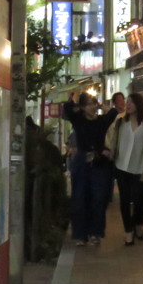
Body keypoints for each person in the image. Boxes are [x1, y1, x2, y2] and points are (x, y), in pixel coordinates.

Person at [105, 92, 143, 245]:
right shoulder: (121, 122)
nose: (127, 105)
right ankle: (128, 231)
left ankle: (138, 224)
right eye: (127, 102)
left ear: (139, 105)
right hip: (121, 166)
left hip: (140, 168)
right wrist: (110, 150)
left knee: (139, 200)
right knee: (124, 200)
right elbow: (111, 138)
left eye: (131, 102)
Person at [62, 92, 117, 246]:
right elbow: (67, 107)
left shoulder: (101, 121)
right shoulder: (78, 120)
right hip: (81, 160)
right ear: (82, 107)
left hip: (99, 161)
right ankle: (80, 234)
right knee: (79, 198)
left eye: (93, 103)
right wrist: (75, 99)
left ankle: (95, 232)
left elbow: (113, 113)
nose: (92, 107)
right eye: (88, 104)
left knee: (99, 198)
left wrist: (104, 107)